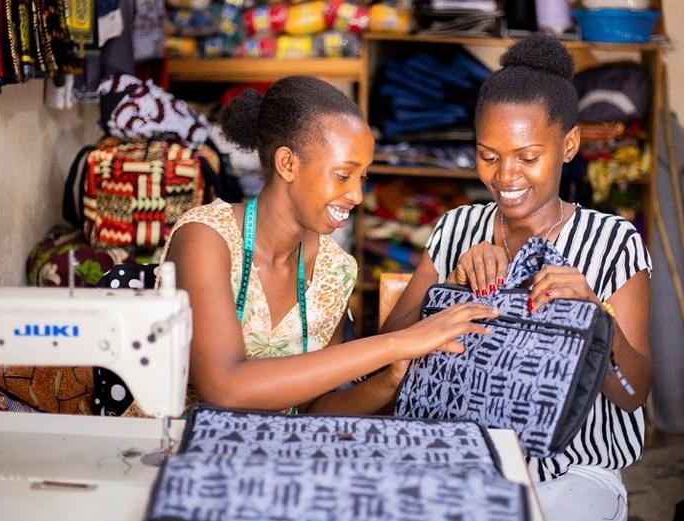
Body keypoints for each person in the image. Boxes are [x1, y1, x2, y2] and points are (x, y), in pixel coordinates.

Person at [382, 35, 652, 521]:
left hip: (572, 471)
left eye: (528, 157)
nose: (506, 175)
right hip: (458, 456)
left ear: (568, 145)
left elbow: (634, 394)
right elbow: (386, 352)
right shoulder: (455, 229)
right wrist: (454, 291)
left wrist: (594, 315)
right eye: (488, 155)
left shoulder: (613, 243)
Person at [157, 75, 495, 415]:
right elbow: (223, 387)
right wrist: (396, 343)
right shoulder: (207, 238)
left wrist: (392, 378)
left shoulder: (334, 270)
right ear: (288, 163)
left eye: (362, 178)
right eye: (343, 175)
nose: (357, 196)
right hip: (172, 451)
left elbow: (316, 408)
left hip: (269, 456)